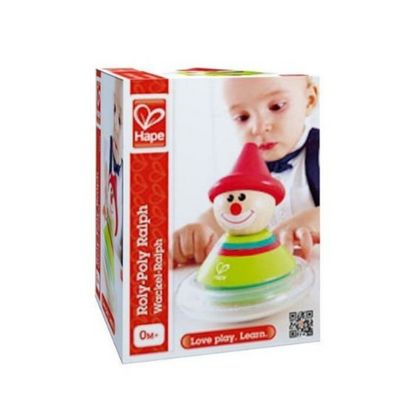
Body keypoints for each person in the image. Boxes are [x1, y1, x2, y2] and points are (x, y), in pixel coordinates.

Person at [172, 75, 319, 266]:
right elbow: (225, 212)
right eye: (243, 117)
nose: (257, 128)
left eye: (276, 107)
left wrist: (309, 221)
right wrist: (199, 231)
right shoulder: (249, 167)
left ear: (309, 100)